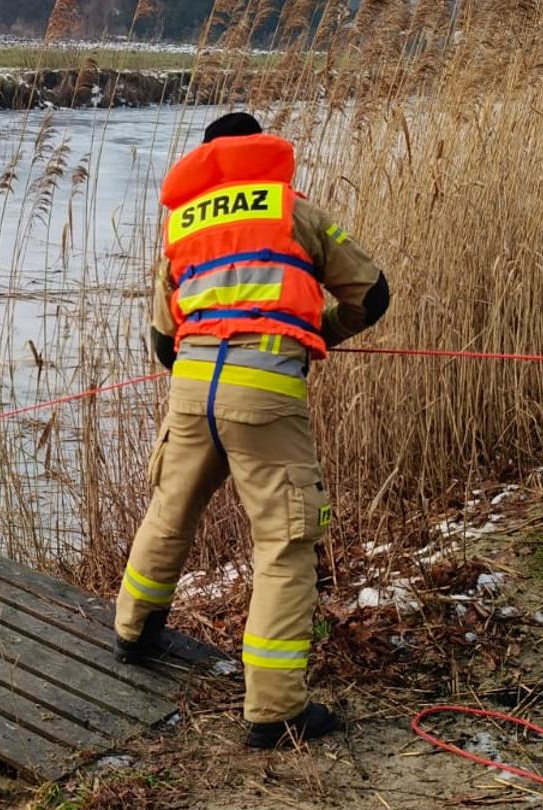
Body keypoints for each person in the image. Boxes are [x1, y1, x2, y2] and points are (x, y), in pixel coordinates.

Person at [113, 112, 391, 748]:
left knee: (169, 509)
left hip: (191, 388)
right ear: (260, 148)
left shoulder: (181, 224)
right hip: (264, 391)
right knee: (284, 543)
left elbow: (163, 339)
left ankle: (132, 630)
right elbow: (371, 296)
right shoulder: (294, 209)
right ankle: (273, 710)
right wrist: (314, 334)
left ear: (208, 158)